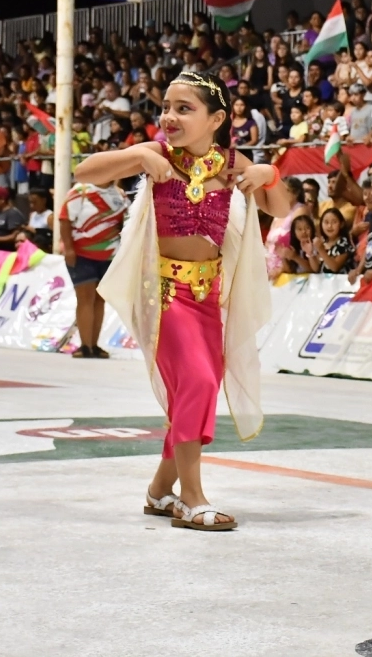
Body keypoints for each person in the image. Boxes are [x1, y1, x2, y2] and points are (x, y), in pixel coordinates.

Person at [80, 70, 296, 532]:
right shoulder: (158, 155)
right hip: (164, 295)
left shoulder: (231, 163)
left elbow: (279, 207)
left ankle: (160, 491)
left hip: (209, 298)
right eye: (166, 107)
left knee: (196, 393)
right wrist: (136, 152)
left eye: (184, 108)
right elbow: (85, 172)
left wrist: (269, 172)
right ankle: (192, 499)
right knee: (197, 382)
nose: (170, 116)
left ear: (216, 118)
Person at [59, 180, 128, 358]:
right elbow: (65, 219)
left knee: (99, 300)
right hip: (82, 253)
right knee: (85, 298)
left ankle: (94, 345)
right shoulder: (80, 191)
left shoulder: (119, 194)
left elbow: (124, 223)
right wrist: (68, 248)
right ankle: (85, 345)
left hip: (110, 255)